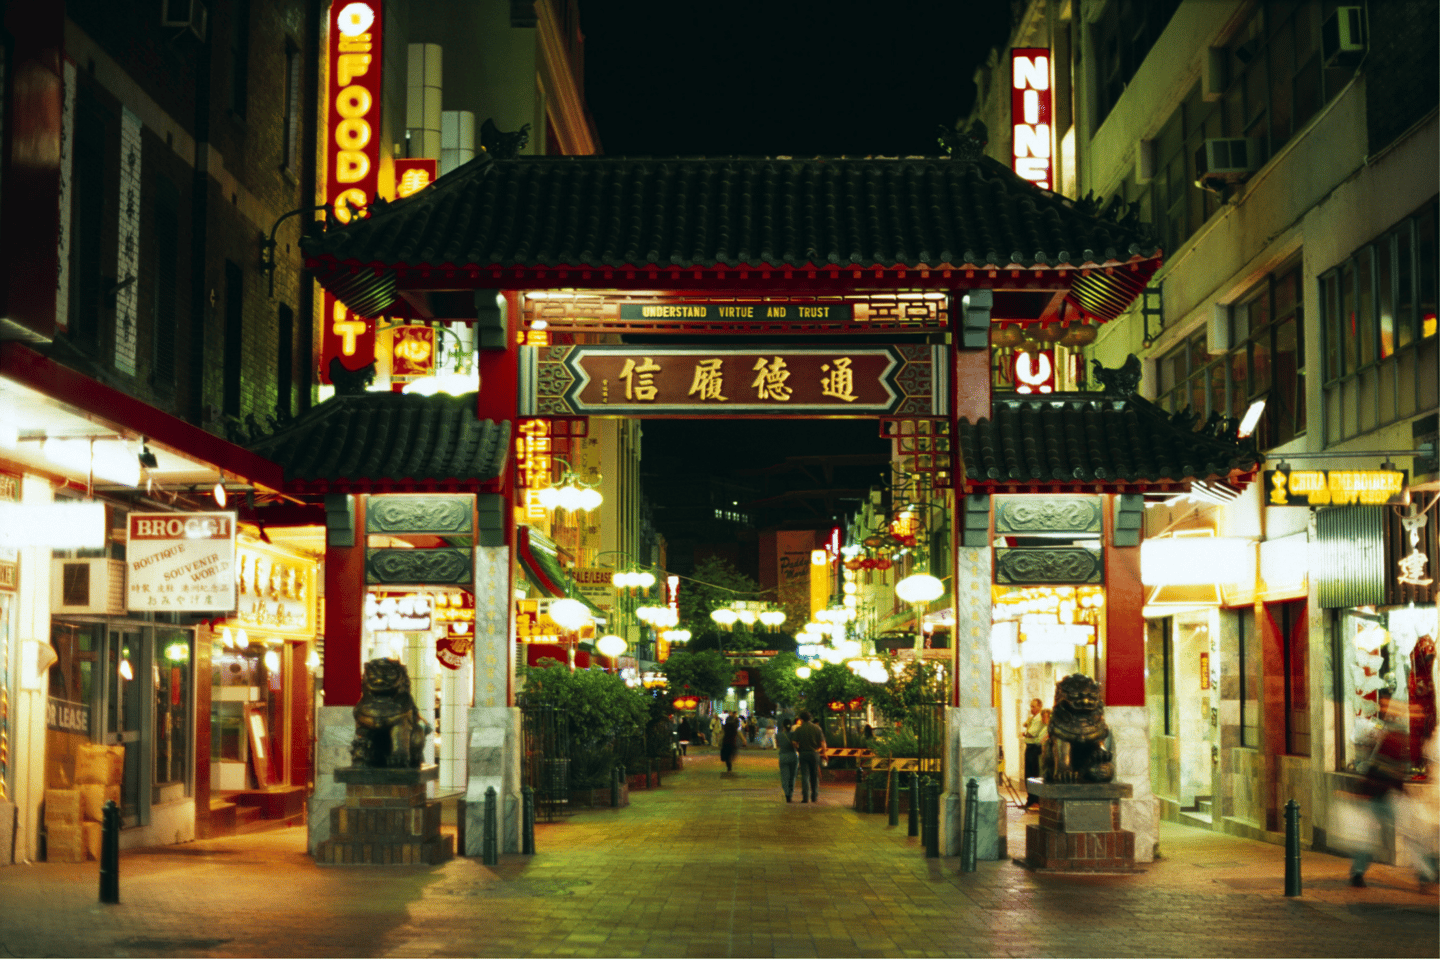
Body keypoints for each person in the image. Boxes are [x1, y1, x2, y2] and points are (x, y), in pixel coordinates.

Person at [792, 710, 827, 802]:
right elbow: (823, 742)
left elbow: (794, 743)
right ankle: (814, 796)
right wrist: (825, 753)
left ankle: (805, 797)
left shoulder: (799, 729)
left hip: (803, 754)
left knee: (805, 775)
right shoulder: (817, 728)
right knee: (815, 775)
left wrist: (798, 749)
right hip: (815, 754)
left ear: (801, 719)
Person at [1022, 698, 1045, 809]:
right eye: (1031, 706)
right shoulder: (1033, 718)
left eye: (1034, 706)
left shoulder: (1039, 718)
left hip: (1034, 749)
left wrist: (1025, 732)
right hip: (1030, 748)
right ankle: (1030, 800)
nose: (1032, 709)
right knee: (1028, 774)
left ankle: (1035, 800)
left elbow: (1031, 733)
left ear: (1040, 707)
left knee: (1033, 774)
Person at [776, 716, 800, 801]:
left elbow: (778, 745)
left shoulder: (778, 735)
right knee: (792, 776)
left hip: (783, 756)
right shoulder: (794, 735)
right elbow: (797, 745)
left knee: (785, 776)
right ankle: (791, 792)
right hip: (793, 756)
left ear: (783, 725)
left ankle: (787, 794)